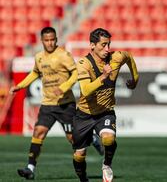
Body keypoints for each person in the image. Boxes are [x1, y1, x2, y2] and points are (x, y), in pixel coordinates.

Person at [10, 27, 104, 180]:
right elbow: (35, 72)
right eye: (46, 40)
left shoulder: (63, 55)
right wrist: (20, 85)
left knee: (72, 139)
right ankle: (30, 168)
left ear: (56, 39)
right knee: (38, 132)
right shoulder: (39, 57)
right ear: (42, 41)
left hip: (65, 105)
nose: (50, 42)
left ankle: (91, 138)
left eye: (52, 39)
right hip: (47, 104)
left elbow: (76, 74)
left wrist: (64, 87)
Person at [72, 28, 139, 182]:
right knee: (79, 155)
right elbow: (85, 89)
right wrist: (104, 76)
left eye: (108, 44)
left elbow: (128, 57)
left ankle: (107, 164)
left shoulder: (116, 57)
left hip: (105, 112)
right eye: (103, 45)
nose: (107, 49)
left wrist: (135, 80)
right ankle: (83, 179)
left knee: (108, 139)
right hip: (84, 115)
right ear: (92, 45)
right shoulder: (83, 64)